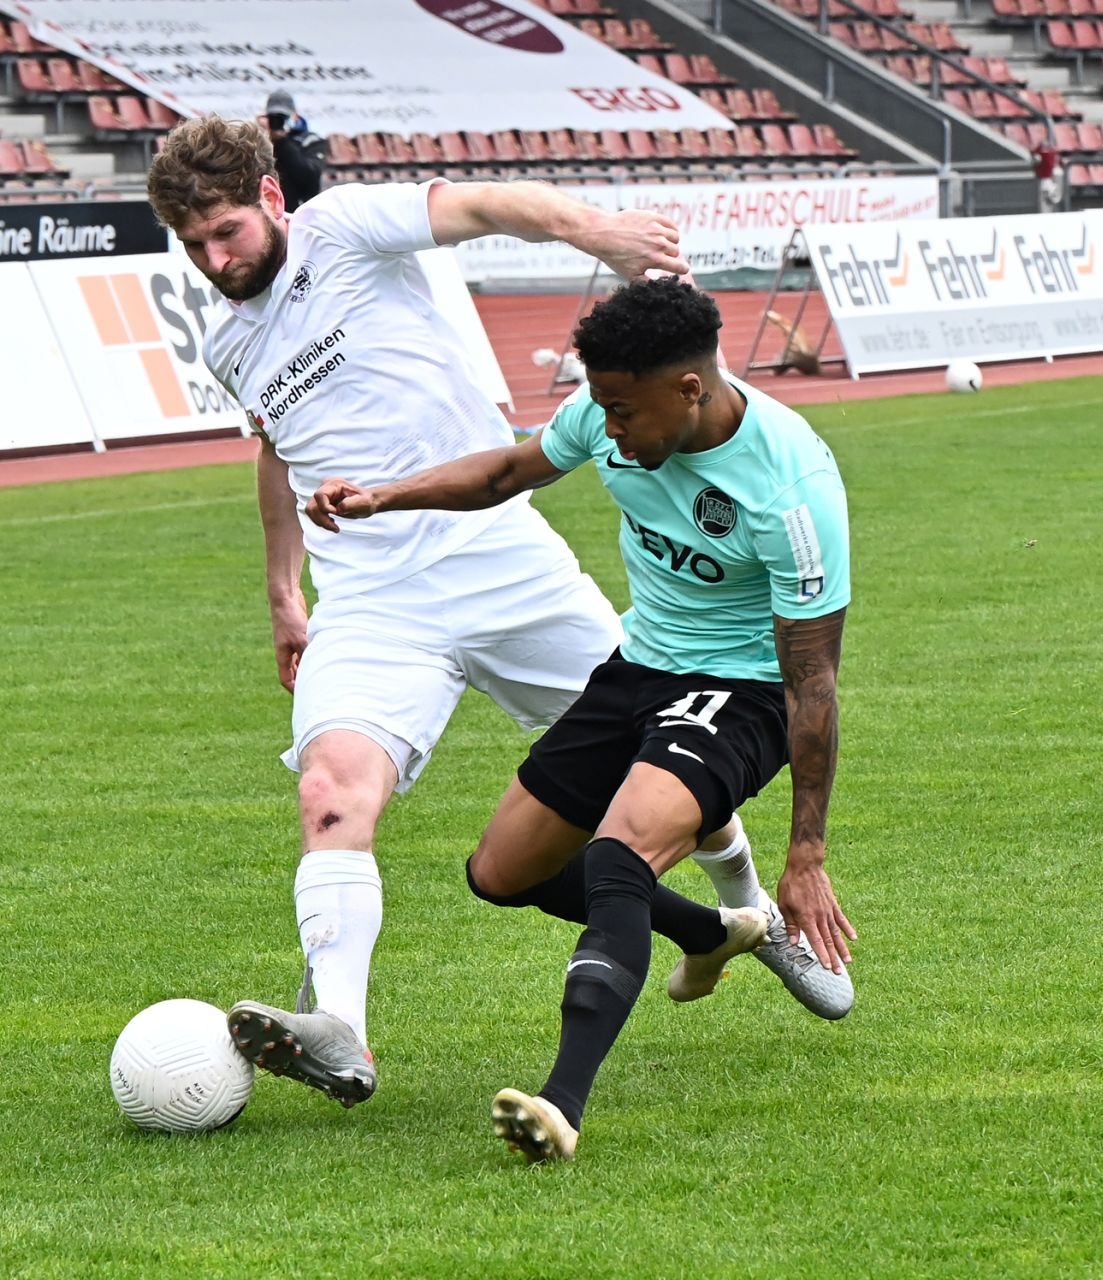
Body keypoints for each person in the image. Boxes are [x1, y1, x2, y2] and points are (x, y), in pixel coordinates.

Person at [141, 118, 845, 1114]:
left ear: (269, 198)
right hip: (372, 596)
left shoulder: (343, 228)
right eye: (194, 246)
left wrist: (598, 232)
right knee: (331, 791)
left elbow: (482, 204)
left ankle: (747, 915)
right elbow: (279, 449)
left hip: (501, 558)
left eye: (226, 233)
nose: (216, 261)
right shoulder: (228, 344)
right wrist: (283, 592)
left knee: (669, 751)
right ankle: (339, 1027)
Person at [305, 277, 857, 1162]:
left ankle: (561, 1106)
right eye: (599, 405)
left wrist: (808, 854)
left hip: (743, 691)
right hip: (636, 667)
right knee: (501, 872)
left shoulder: (791, 490)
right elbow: (505, 472)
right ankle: (717, 931)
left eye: (623, 411)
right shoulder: (607, 413)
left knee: (617, 855)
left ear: (689, 389)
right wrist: (382, 498)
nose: (609, 428)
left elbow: (814, 684)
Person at [262, 90, 325, 211]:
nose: (277, 122)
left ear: (294, 116)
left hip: (300, 212)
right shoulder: (262, 141)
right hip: (270, 210)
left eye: (282, 117)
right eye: (273, 118)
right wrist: (258, 135)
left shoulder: (311, 140)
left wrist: (283, 142)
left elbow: (310, 178)